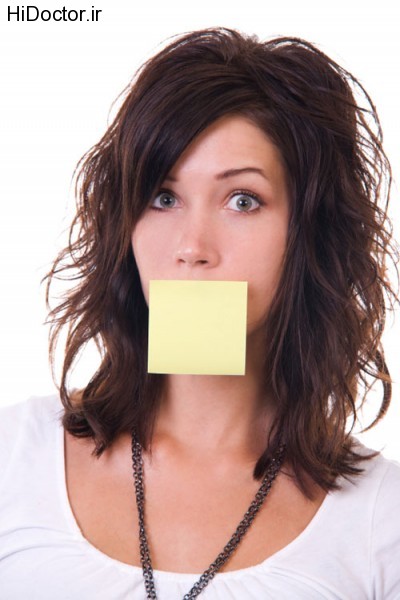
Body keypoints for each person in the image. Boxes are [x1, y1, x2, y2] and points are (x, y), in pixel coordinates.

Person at [0, 26, 399, 600]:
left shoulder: (382, 519)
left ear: (310, 235)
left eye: (243, 201)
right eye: (164, 197)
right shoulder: (15, 454)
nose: (192, 246)